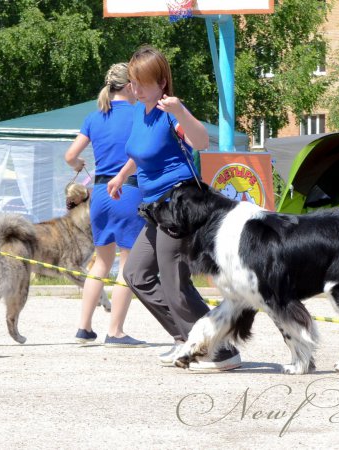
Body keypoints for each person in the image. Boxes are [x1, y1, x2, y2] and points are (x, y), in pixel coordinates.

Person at [107, 45, 241, 370]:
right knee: (136, 273)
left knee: (174, 282)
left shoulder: (171, 113)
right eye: (132, 83)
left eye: (141, 83)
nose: (134, 89)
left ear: (162, 83)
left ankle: (221, 350)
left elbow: (201, 142)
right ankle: (186, 338)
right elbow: (139, 153)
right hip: (155, 207)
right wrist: (122, 176)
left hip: (180, 204)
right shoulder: (141, 111)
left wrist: (181, 111)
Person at [64, 63, 146, 348]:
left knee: (101, 261)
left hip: (98, 193)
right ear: (129, 86)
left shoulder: (95, 116)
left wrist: (78, 164)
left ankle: (84, 328)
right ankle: (116, 331)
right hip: (128, 191)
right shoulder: (140, 113)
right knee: (128, 262)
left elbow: (70, 155)